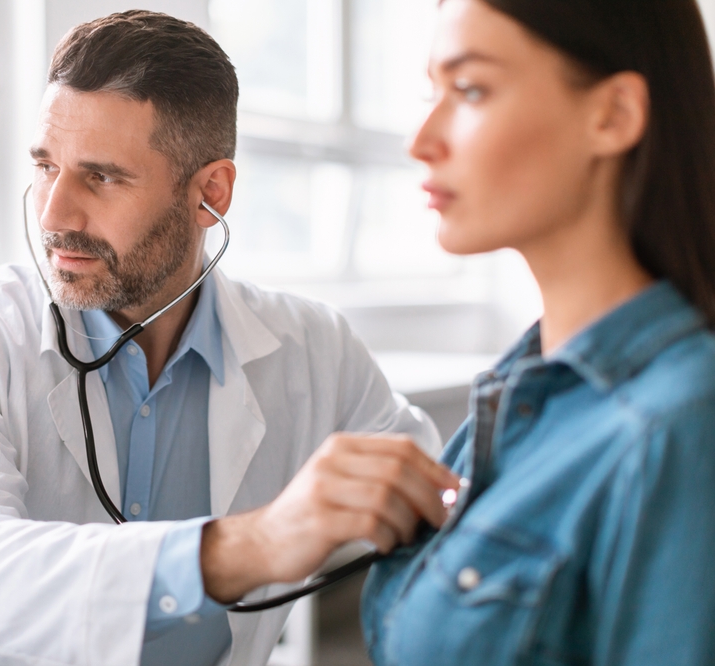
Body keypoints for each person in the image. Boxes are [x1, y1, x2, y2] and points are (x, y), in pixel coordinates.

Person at [0, 10, 441, 666]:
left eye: (101, 177)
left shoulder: (315, 349)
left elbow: (445, 505)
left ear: (210, 192)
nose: (54, 213)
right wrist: (244, 548)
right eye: (46, 166)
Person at [198, 0, 715, 664]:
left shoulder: (679, 429)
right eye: (431, 93)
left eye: (470, 90)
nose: (420, 141)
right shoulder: (516, 396)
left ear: (612, 115)